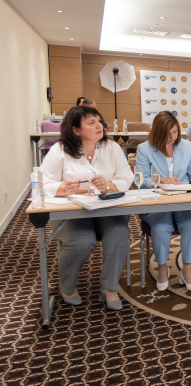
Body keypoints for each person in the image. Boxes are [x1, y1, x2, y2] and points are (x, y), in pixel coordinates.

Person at [40, 106, 133, 310]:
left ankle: (109, 288)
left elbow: (127, 176)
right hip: (71, 211)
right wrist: (63, 188)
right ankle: (66, 287)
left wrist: (108, 185)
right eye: (91, 122)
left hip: (105, 208)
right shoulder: (60, 150)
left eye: (99, 120)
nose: (99, 125)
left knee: (119, 232)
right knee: (82, 241)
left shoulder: (111, 147)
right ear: (76, 130)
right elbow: (41, 184)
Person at [136, 111, 191, 292]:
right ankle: (162, 268)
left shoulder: (187, 146)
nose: (172, 137)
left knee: (190, 225)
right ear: (157, 132)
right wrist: (161, 180)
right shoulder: (144, 149)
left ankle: (186, 269)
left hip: (183, 199)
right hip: (156, 201)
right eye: (167, 133)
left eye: (175, 132)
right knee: (161, 226)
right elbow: (140, 181)